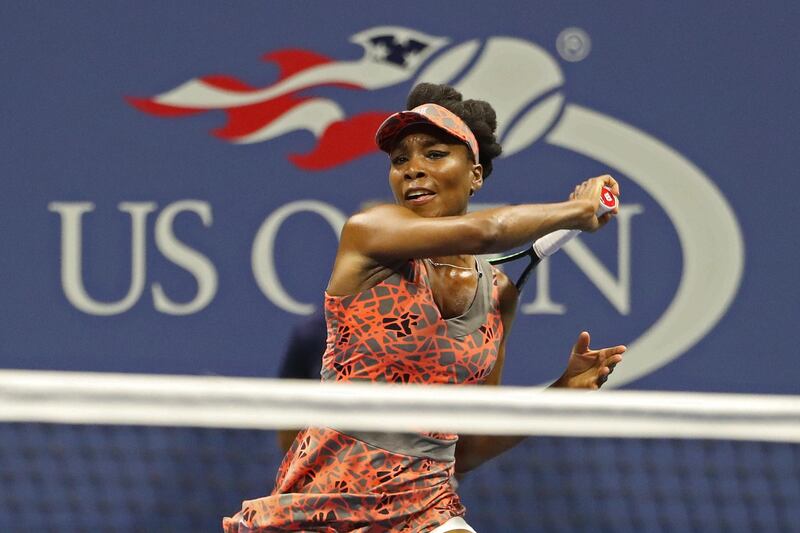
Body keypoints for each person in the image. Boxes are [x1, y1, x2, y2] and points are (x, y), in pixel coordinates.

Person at [224, 83, 626, 533]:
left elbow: (468, 447)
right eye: (400, 160)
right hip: (325, 501)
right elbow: (488, 231)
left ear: (475, 174)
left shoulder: (498, 294)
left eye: (434, 154)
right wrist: (575, 210)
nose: (413, 169)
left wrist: (561, 394)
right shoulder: (369, 234)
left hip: (426, 507)